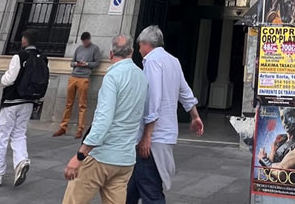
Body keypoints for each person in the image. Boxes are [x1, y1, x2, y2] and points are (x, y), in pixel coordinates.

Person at [62, 34, 148, 204]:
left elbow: (103, 120)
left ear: (110, 55)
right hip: (125, 159)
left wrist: (80, 155)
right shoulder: (141, 76)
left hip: (101, 157)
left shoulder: (112, 77)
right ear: (131, 51)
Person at [126, 25, 204, 204]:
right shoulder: (173, 60)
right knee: (133, 185)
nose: (139, 50)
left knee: (150, 188)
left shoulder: (152, 61)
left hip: (154, 137)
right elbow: (184, 91)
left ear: (147, 44)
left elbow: (153, 98)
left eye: (140, 45)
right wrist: (195, 115)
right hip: (166, 133)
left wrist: (147, 135)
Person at [0, 29, 49, 189]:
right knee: (19, 134)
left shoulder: (19, 57)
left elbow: (9, 79)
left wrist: (2, 78)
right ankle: (21, 161)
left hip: (12, 100)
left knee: (1, 136)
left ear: (25, 40)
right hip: (29, 101)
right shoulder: (43, 58)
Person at [55, 31, 102, 139]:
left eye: (86, 41)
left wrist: (86, 64)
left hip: (84, 77)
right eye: (83, 41)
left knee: (82, 104)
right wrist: (76, 63)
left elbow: (97, 63)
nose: (84, 43)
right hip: (74, 76)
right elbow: (72, 62)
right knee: (68, 103)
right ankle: (63, 127)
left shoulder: (95, 49)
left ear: (89, 39)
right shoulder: (79, 48)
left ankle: (80, 129)